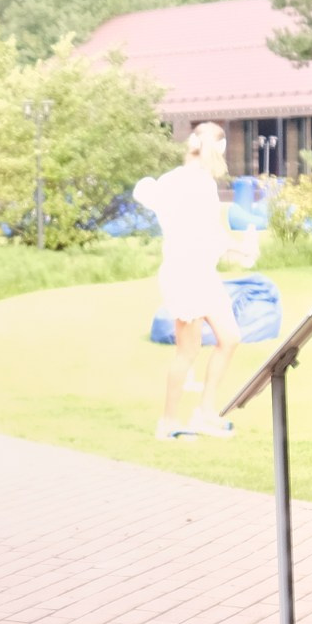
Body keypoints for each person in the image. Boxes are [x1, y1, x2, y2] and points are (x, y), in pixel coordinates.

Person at [134, 121, 242, 440]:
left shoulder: (175, 181)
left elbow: (148, 194)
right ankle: (168, 423)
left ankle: (205, 413)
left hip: (199, 272)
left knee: (230, 337)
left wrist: (231, 246)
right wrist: (236, 246)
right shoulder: (195, 184)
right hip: (186, 274)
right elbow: (203, 232)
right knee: (188, 350)